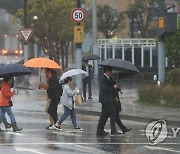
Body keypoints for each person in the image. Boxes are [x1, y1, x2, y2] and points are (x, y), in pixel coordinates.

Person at [97, 66, 119, 136]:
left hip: (108, 99)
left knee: (104, 115)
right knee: (113, 114)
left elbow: (113, 86)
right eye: (110, 72)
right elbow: (104, 88)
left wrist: (117, 88)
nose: (111, 73)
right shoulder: (103, 79)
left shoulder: (109, 79)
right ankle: (113, 130)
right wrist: (113, 87)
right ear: (107, 71)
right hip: (106, 99)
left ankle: (100, 130)